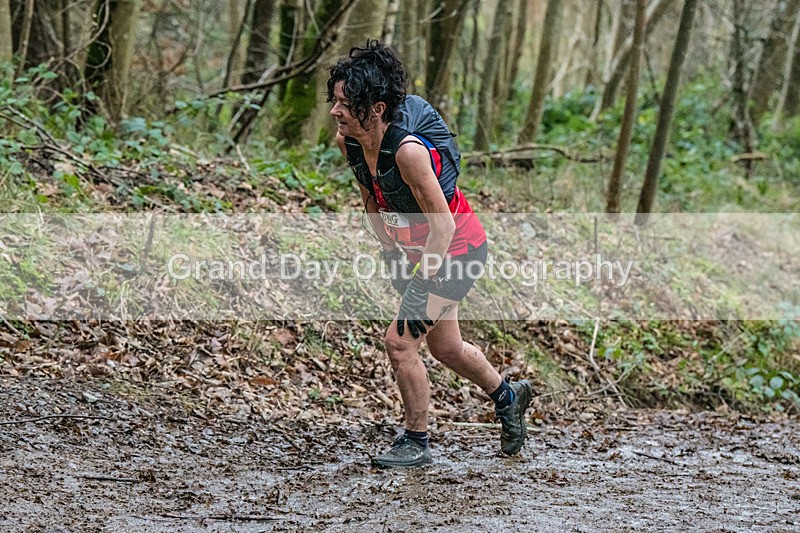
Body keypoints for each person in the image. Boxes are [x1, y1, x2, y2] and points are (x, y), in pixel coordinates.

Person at [327, 40, 532, 468]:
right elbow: (371, 196)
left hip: (459, 251)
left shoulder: (409, 153)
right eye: (335, 101)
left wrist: (420, 284)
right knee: (446, 347)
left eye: (345, 103)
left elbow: (444, 226)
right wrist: (390, 253)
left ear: (376, 108)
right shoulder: (349, 143)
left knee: (399, 343)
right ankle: (510, 396)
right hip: (420, 252)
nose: (335, 111)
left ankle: (415, 442)